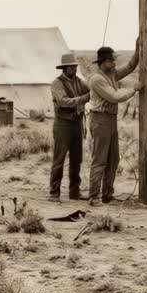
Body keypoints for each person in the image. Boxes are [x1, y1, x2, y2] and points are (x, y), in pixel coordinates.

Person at [86, 42, 141, 206]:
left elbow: (130, 66)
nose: (114, 63)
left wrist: (138, 50)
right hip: (100, 120)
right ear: (104, 62)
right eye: (112, 60)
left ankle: (107, 194)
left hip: (109, 120)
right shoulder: (97, 79)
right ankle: (94, 196)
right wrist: (134, 89)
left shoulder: (110, 75)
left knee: (113, 159)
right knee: (100, 159)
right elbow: (115, 97)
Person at [49, 53, 90, 200]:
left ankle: (74, 192)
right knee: (59, 159)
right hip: (63, 125)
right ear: (64, 68)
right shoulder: (57, 84)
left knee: (76, 159)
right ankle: (54, 192)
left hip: (77, 124)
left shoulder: (79, 81)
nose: (74, 68)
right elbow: (63, 102)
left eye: (75, 66)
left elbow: (92, 90)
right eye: (71, 67)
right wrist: (85, 98)